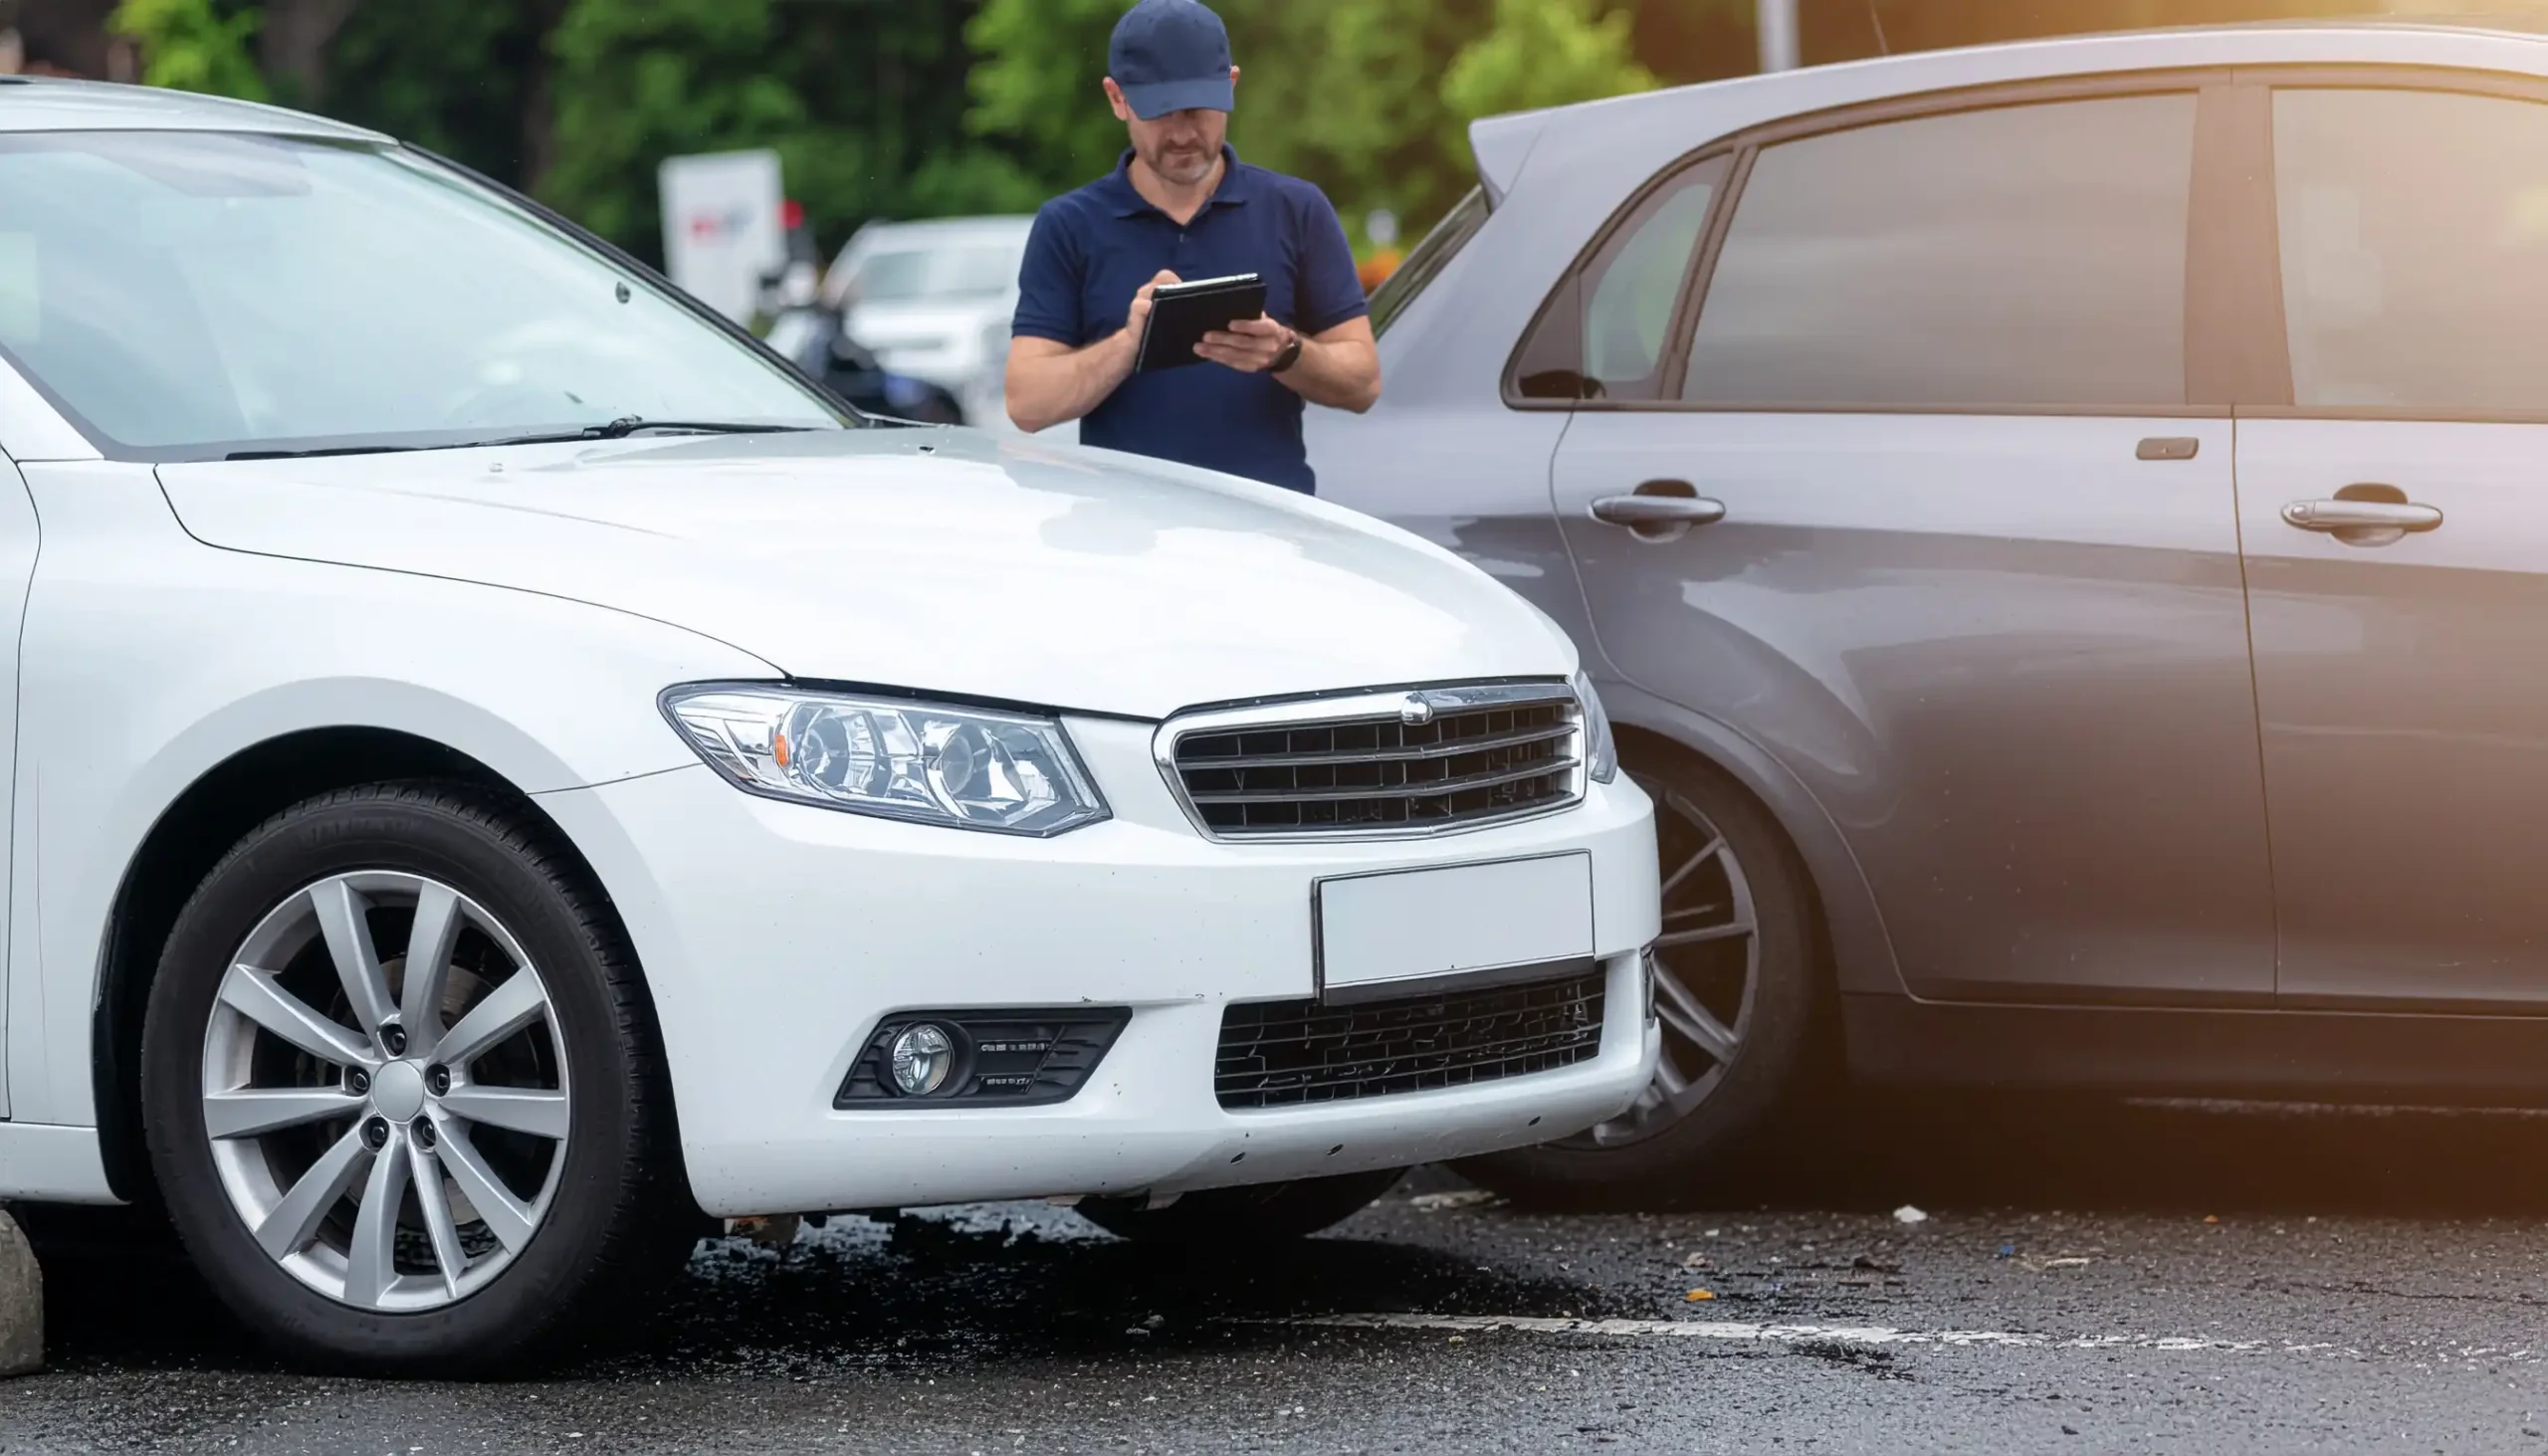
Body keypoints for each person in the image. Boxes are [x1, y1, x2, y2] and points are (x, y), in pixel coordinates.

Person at [1003, 0, 1380, 496]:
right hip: (1123, 528)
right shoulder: (1069, 225)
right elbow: (1027, 405)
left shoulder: (1297, 209)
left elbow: (1363, 384)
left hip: (1271, 528)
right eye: (1161, 112)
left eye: (1199, 109)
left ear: (1231, 85)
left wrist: (1285, 351)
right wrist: (1130, 343)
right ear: (1117, 98)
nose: (1183, 133)